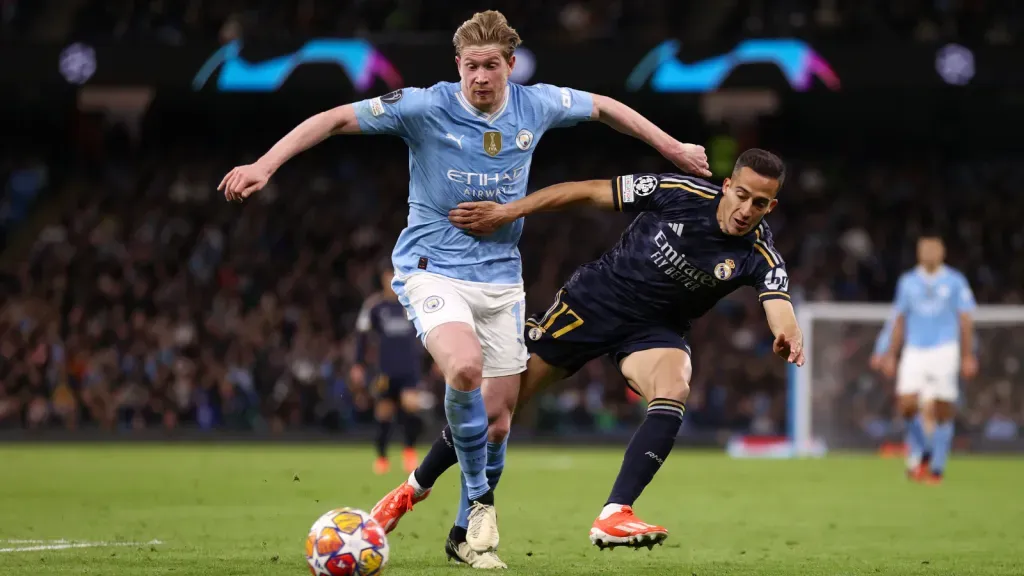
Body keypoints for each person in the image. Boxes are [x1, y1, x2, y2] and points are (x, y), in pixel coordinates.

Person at [218, 9, 709, 560]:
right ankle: (480, 503)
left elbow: (606, 108)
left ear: (510, 65)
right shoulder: (425, 106)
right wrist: (265, 164)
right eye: (471, 66)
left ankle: (460, 538)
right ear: (458, 65)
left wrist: (671, 147)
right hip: (432, 269)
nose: (480, 77)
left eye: (491, 66)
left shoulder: (537, 103)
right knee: (464, 367)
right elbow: (333, 120)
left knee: (498, 422)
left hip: (501, 281)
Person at [372, 149, 804, 557]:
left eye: (760, 203)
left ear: (772, 207)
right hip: (592, 305)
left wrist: (788, 334)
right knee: (495, 411)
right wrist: (509, 210)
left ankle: (615, 512)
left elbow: (778, 303)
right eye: (742, 195)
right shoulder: (680, 193)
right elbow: (587, 190)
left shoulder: (759, 254)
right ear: (727, 186)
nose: (747, 209)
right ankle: (412, 489)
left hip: (654, 330)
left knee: (675, 383)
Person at [876, 234, 977, 483]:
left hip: (945, 349)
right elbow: (899, 320)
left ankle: (937, 468)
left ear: (942, 252)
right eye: (925, 248)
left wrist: (967, 355)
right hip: (915, 350)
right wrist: (890, 353)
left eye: (935, 248)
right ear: (919, 253)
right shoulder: (908, 282)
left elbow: (965, 320)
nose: (930, 252)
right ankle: (926, 449)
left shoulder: (955, 281)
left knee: (942, 409)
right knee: (907, 404)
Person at [352, 265, 425, 475]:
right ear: (383, 278)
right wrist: (358, 364)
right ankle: (382, 458)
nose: (392, 279)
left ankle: (409, 451)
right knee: (384, 412)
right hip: (385, 369)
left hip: (409, 367)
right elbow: (362, 335)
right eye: (389, 275)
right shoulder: (375, 307)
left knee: (411, 407)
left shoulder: (411, 303)